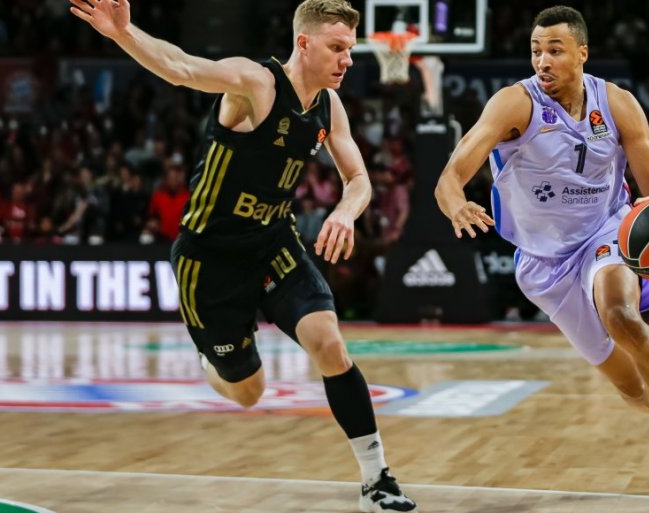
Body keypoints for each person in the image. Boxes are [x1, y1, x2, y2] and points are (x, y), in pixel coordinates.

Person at [69, 1, 417, 511]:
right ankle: (211, 358)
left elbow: (359, 178)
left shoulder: (329, 105)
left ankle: (376, 480)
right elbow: (182, 67)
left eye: (350, 49)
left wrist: (346, 212)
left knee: (329, 344)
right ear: (304, 43)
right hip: (210, 258)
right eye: (337, 48)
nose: (347, 60)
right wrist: (125, 34)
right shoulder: (256, 83)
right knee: (248, 392)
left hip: (273, 242)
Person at [434, 5, 649, 504]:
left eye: (555, 50)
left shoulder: (618, 103)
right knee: (629, 387)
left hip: (606, 232)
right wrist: (456, 203)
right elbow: (451, 175)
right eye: (536, 51)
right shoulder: (514, 103)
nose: (543, 60)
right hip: (543, 263)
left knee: (621, 315)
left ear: (582, 53)